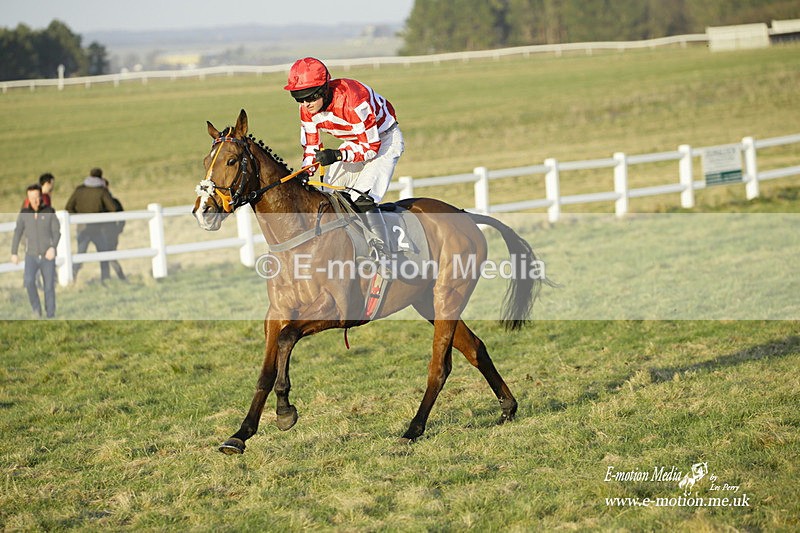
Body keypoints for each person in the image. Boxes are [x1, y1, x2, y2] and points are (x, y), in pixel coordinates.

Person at [283, 57, 404, 253]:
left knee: (361, 198)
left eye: (310, 96)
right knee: (328, 199)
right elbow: (311, 145)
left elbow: (371, 147)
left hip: (384, 141)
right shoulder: (306, 109)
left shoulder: (353, 101)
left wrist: (338, 155)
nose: (306, 103)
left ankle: (384, 254)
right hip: (355, 143)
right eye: (299, 97)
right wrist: (306, 171)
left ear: (323, 90)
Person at [11, 184, 61, 318]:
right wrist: (14, 252)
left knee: (49, 286)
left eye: (37, 197)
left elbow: (57, 232)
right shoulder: (24, 214)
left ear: (41, 197)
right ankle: (36, 309)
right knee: (28, 281)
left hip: (47, 256)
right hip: (31, 256)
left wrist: (53, 247)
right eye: (32, 198)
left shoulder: (49, 211)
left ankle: (50, 315)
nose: (35, 201)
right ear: (28, 198)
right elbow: (17, 232)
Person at [65, 167, 120, 282]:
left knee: (80, 254)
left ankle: (72, 279)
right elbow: (113, 208)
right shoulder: (101, 191)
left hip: (82, 228)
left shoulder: (79, 190)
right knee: (104, 254)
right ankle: (105, 279)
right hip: (98, 229)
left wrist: (79, 217)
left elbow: (68, 207)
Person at [101, 177, 126, 280]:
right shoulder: (109, 201)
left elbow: (122, 217)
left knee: (110, 256)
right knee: (108, 256)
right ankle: (113, 277)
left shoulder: (113, 201)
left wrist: (118, 230)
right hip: (104, 233)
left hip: (110, 233)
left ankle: (116, 277)